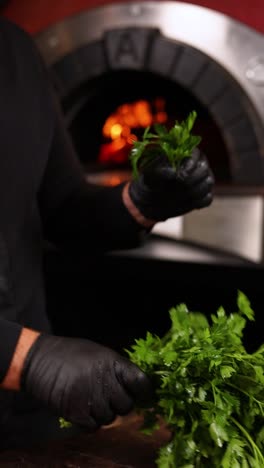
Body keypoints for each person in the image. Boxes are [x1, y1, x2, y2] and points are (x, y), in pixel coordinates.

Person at [0, 17, 214, 451]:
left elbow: (60, 207)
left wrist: (140, 202)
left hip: (26, 416)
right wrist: (24, 357)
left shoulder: (14, 50)